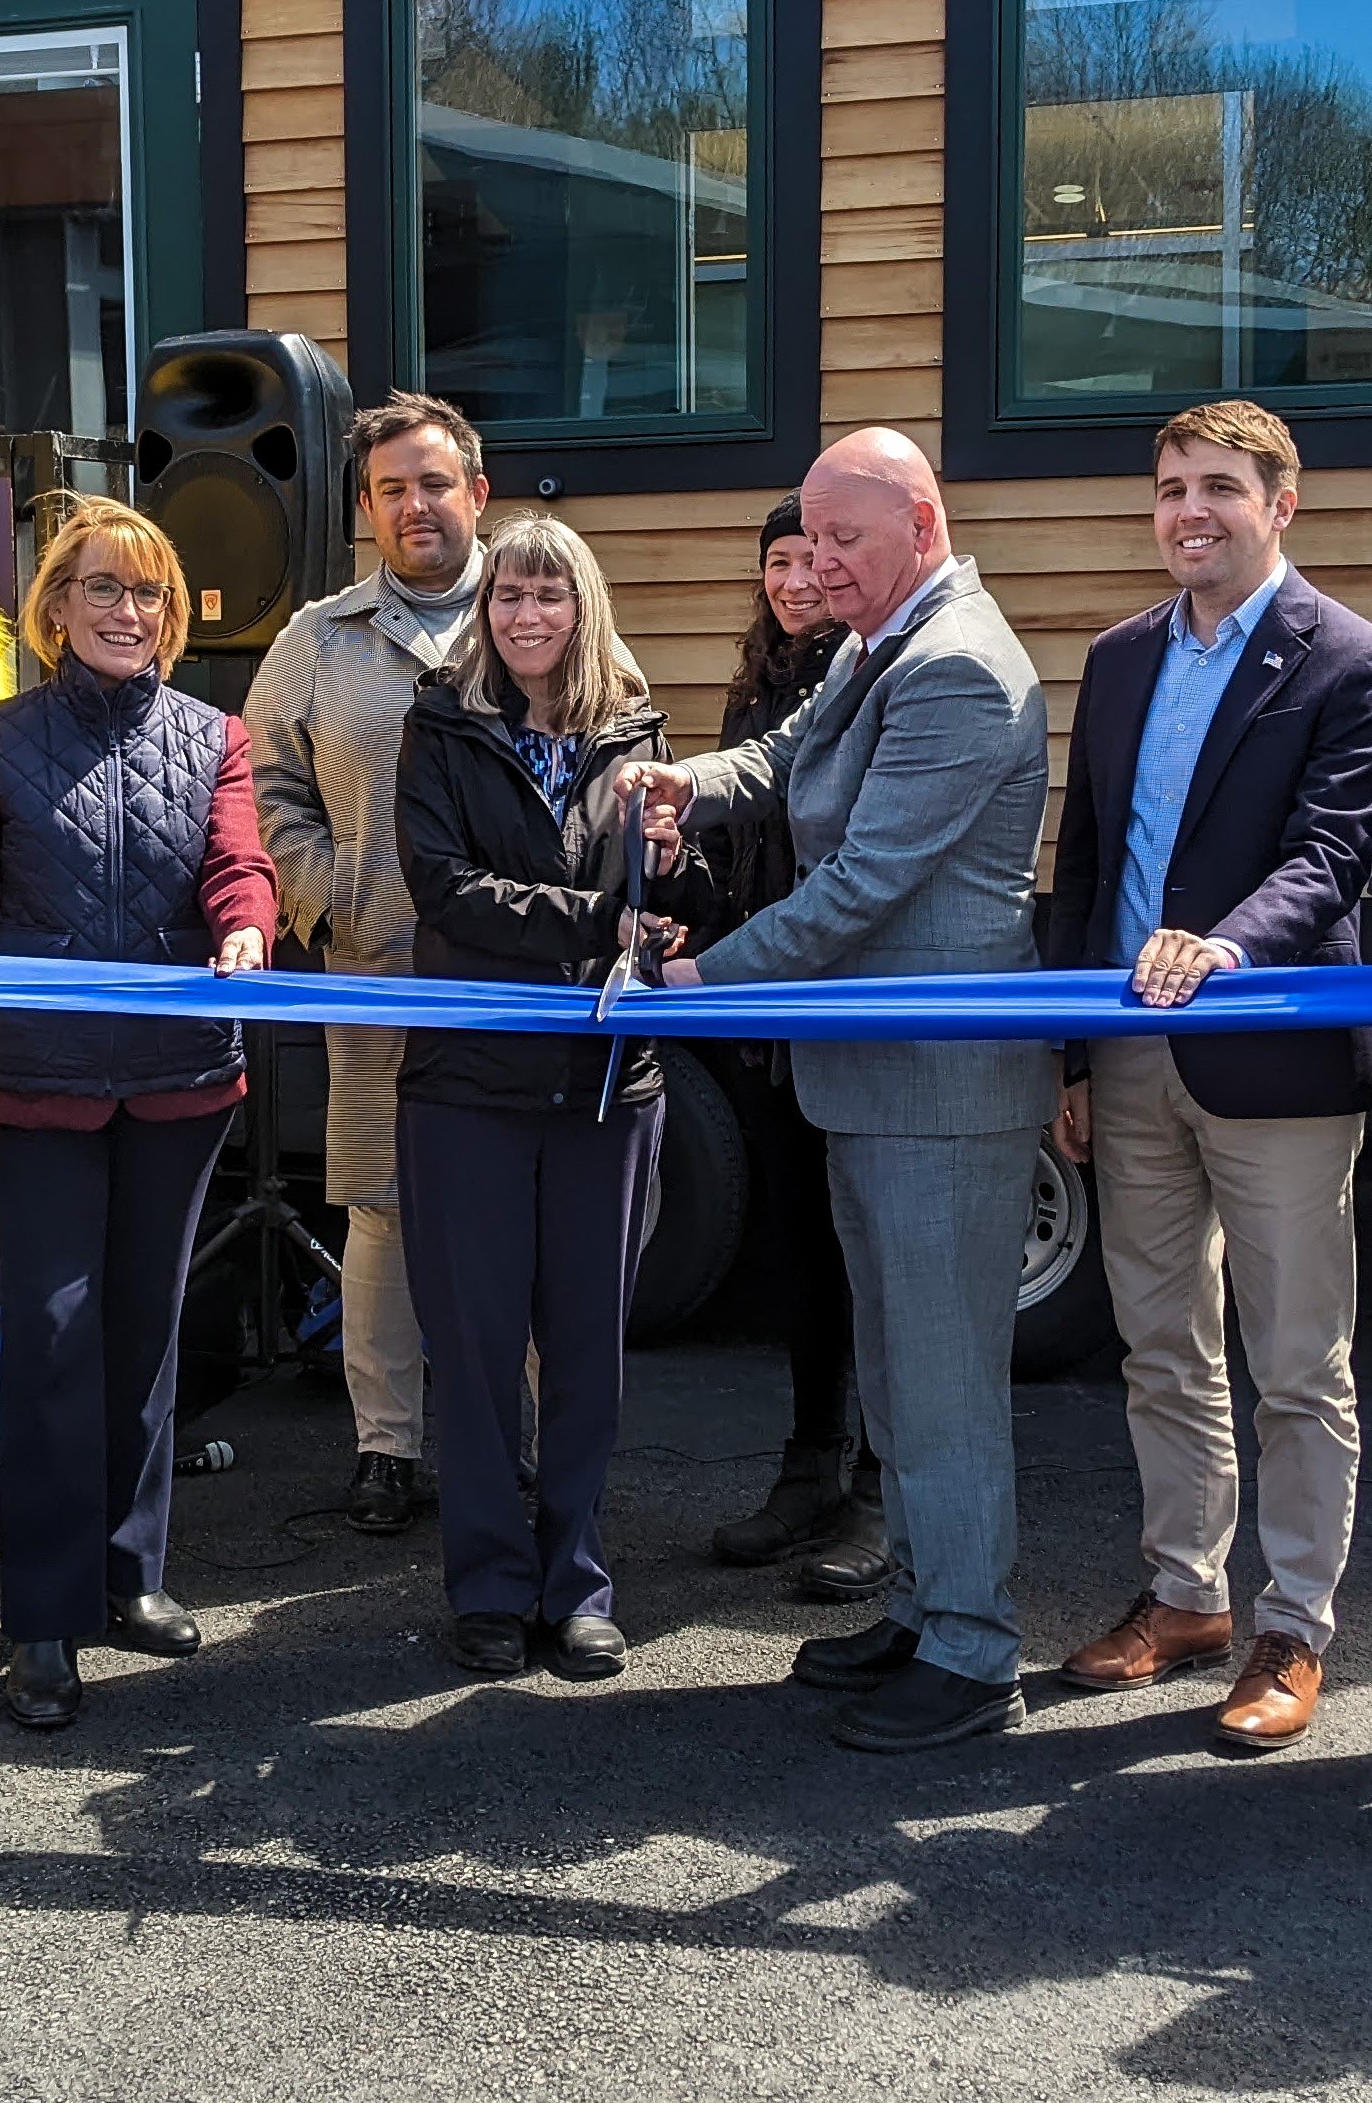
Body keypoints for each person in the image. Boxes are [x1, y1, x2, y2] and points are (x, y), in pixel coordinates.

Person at [623, 428, 1056, 1753]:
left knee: (945, 1386)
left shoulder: (960, 670)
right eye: (809, 546)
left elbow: (863, 887)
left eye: (844, 543)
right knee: (900, 1373)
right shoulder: (888, 641)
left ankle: (976, 1652)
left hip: (939, 1087)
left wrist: (706, 985)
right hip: (879, 1082)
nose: (820, 569)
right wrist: (682, 778)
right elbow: (784, 756)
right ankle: (925, 1612)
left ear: (921, 522)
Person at [0, 500, 274, 1731]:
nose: (126, 613)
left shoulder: (216, 735)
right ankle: (41, 1620)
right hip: (36, 1086)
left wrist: (247, 926)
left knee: (143, 1337)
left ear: (172, 618)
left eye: (148, 595)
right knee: (55, 1340)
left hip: (181, 1080)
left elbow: (239, 865)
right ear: (55, 610)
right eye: (102, 591)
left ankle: (131, 1579)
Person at [1041, 402, 1372, 1754]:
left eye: (1218, 488)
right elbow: (1087, 866)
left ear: (1281, 503)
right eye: (1169, 488)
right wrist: (1076, 1054)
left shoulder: (1354, 663)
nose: (1188, 510)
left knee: (1300, 1361)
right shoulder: (1121, 656)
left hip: (1274, 1055)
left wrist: (1223, 950)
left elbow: (1334, 854)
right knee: (1160, 1344)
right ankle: (1187, 1593)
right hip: (1132, 1054)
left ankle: (1293, 1624)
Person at [390, 518, 713, 1680]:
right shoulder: (439, 725)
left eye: (549, 596)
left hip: (608, 1087)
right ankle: (486, 1586)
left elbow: (676, 891)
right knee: (473, 1356)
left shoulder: (637, 727)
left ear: (585, 608)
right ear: (485, 612)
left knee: (588, 1353)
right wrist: (599, 919)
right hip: (465, 1087)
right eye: (508, 597)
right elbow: (446, 891)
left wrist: (672, 869)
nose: (526, 617)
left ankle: (577, 1582)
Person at [246, 392, 492, 1533]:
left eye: (433, 484)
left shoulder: (540, 606)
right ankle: (386, 1448)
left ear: (476, 494)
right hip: (375, 966)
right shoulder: (317, 638)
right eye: (391, 490)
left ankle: (515, 1443)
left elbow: (616, 739)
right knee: (381, 1215)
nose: (414, 507)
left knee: (517, 1215)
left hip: (514, 984)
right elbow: (262, 785)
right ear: (367, 512)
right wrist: (322, 891)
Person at [696, 495, 883, 1593]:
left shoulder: (871, 673)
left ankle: (874, 1492)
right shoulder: (757, 681)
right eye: (778, 560)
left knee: (870, 1255)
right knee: (800, 1253)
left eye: (815, 557)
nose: (795, 578)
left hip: (841, 994)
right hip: (758, 1002)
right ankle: (810, 1470)